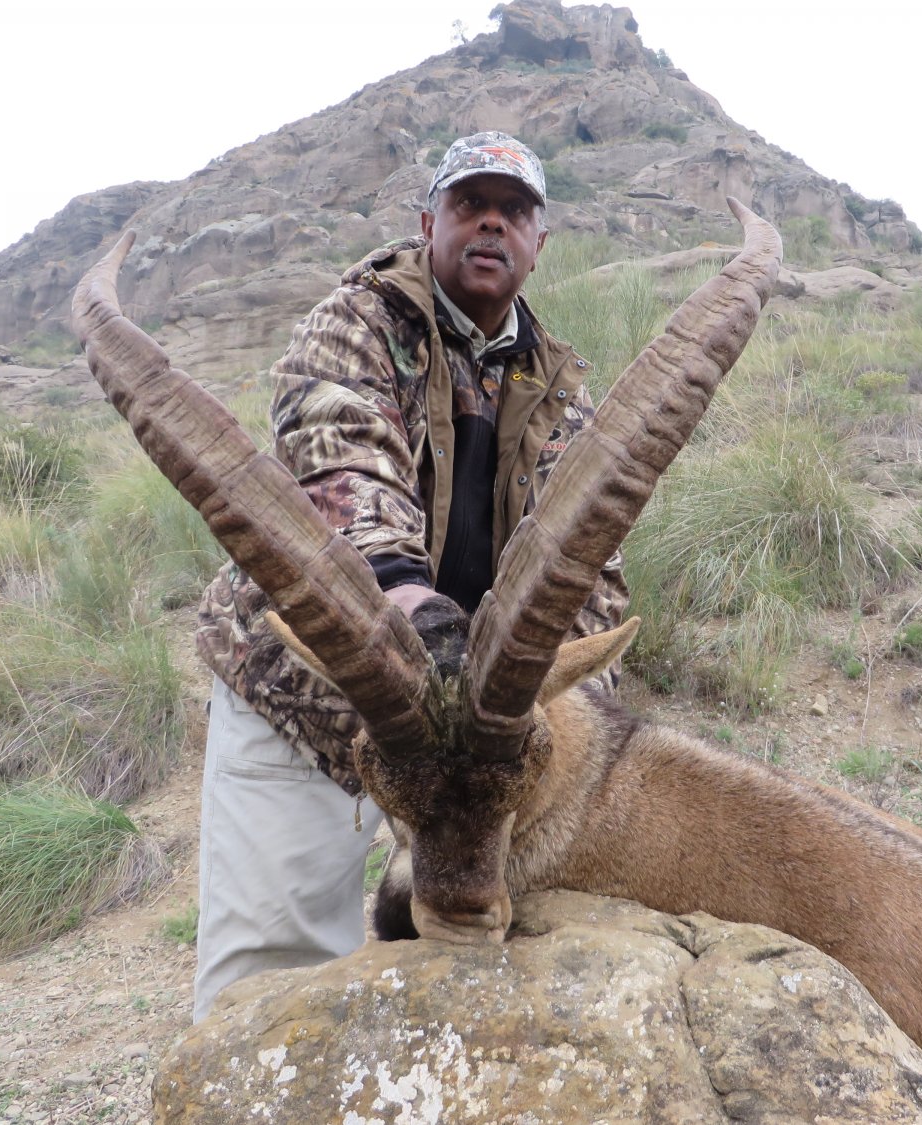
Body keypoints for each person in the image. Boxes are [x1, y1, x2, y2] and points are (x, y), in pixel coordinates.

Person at [190, 131, 629, 1020]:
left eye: (514, 211)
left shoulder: (562, 390)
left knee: (477, 977)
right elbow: (340, 463)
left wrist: (552, 710)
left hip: (470, 749)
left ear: (539, 242)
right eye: (471, 204)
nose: (492, 224)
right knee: (270, 981)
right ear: (429, 222)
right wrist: (413, 613)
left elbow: (590, 565)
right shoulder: (354, 322)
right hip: (315, 700)